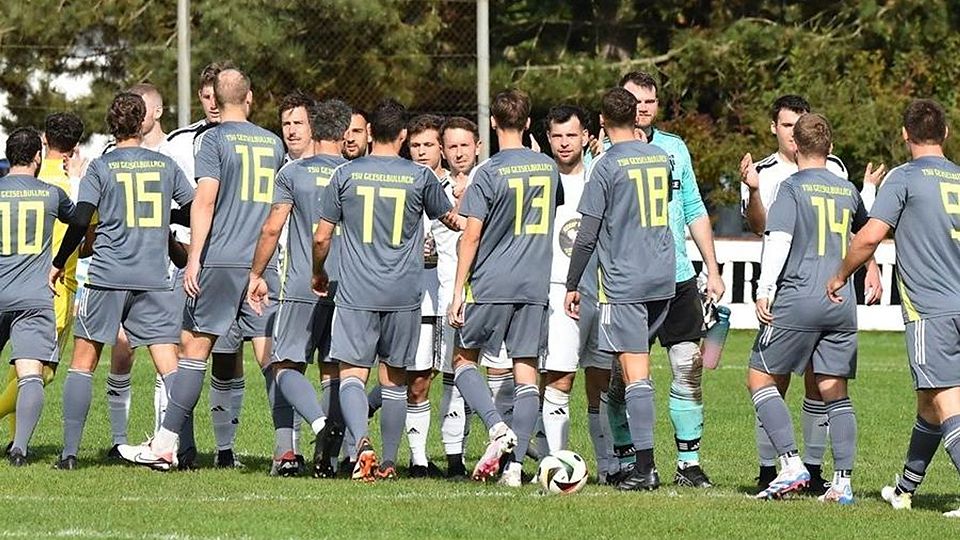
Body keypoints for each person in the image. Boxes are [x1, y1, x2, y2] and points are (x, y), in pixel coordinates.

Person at [117, 67, 285, 471]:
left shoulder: (212, 139)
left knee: (193, 352)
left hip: (221, 261)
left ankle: (166, 443)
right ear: (249, 99)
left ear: (217, 99)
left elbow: (204, 202)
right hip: (261, 263)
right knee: (271, 361)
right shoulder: (273, 143)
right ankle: (286, 450)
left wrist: (193, 259)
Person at [739, 94, 883, 492]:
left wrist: (764, 289)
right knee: (834, 391)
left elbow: (779, 239)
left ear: (797, 147)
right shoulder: (847, 189)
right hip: (840, 303)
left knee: (759, 378)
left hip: (798, 297)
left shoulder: (790, 187)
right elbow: (864, 230)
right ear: (830, 149)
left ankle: (789, 463)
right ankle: (843, 483)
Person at [828, 99, 960, 517]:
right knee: (928, 401)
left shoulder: (903, 179)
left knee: (946, 401)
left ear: (905, 135)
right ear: (946, 134)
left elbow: (869, 238)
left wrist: (839, 275)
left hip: (930, 311)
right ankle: (904, 489)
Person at [313, 99, 456, 481]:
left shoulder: (345, 175)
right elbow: (452, 220)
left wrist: (317, 272)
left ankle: (362, 442)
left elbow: (322, 237)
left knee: (353, 376)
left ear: (371, 132)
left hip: (358, 292)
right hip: (404, 294)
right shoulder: (421, 177)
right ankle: (390, 462)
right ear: (405, 136)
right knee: (394, 382)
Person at [52, 93, 193, 470]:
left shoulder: (101, 166)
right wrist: (167, 213)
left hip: (107, 276)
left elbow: (81, 220)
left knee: (83, 363)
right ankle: (170, 445)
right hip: (152, 276)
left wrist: (58, 261)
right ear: (142, 121)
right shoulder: (165, 165)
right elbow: (195, 210)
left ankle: (68, 455)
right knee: (171, 366)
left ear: (112, 124)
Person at [603, 71, 726, 487]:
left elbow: (693, 208)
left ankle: (689, 465)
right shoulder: (602, 153)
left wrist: (712, 266)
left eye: (650, 102)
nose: (643, 108)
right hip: (628, 282)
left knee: (687, 367)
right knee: (624, 378)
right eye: (635, 101)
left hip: (677, 278)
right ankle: (630, 460)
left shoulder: (674, 148)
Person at [564, 87, 675, 491]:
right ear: (636, 116)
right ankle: (641, 462)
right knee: (634, 370)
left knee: (635, 373)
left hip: (625, 279)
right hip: (662, 276)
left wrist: (573, 282)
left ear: (602, 123)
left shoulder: (606, 166)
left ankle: (646, 467)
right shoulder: (660, 157)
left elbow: (588, 233)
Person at [448, 88, 558, 487]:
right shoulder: (547, 167)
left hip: (492, 281)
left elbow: (471, 235)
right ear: (528, 123)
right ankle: (514, 470)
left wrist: (459, 289)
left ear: (492, 123)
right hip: (534, 284)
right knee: (527, 374)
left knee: (462, 361)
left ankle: (496, 426)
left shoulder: (488, 172)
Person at [247, 99, 352, 477]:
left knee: (285, 364)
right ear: (343, 132)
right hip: (350, 287)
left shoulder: (293, 174)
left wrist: (256, 274)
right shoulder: (355, 172)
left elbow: (272, 228)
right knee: (335, 372)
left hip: (303, 283)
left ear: (313, 128)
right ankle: (337, 457)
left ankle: (320, 426)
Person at [163, 62, 250, 468]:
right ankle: (182, 444)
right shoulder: (181, 142)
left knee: (222, 355)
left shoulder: (239, 140)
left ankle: (223, 448)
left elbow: (208, 200)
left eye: (218, 95)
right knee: (178, 348)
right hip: (187, 258)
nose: (212, 102)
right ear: (201, 96)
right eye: (206, 96)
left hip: (216, 260)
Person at [0, 113, 86, 447]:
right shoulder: (59, 187)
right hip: (49, 289)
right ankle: (18, 443)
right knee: (36, 371)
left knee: (21, 370)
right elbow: (82, 224)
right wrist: (60, 261)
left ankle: (13, 442)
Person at [436, 116, 481, 478]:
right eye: (452, 146)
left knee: (500, 374)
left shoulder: (490, 179)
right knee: (452, 374)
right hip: (446, 294)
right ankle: (454, 456)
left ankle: (503, 451)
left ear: (477, 146)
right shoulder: (433, 186)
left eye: (465, 145)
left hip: (486, 292)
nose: (459, 152)